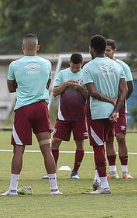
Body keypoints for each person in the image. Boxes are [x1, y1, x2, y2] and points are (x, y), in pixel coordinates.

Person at [4, 33, 61, 196]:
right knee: (46, 149)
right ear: (38, 47)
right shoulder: (47, 63)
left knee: (18, 150)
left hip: (23, 109)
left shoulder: (14, 65)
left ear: (23, 47)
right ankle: (54, 189)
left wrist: (23, 86)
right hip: (41, 108)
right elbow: (47, 85)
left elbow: (10, 88)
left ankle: (12, 189)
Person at [84, 35, 128, 195]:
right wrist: (116, 110)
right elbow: (124, 90)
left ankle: (104, 185)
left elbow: (91, 92)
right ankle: (99, 179)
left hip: (96, 112)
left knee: (98, 147)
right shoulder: (117, 66)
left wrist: (109, 100)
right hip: (112, 113)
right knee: (107, 143)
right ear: (104, 48)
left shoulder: (88, 67)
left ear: (91, 49)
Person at [51, 52, 89, 180]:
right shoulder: (62, 74)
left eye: (77, 68)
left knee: (80, 143)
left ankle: (75, 172)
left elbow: (89, 96)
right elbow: (55, 92)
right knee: (55, 142)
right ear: (69, 63)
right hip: (63, 116)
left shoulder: (86, 74)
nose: (75, 70)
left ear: (81, 64)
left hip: (80, 116)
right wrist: (66, 84)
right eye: (73, 67)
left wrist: (81, 88)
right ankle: (52, 172)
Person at [104, 39, 133, 179]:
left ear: (114, 51)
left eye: (108, 50)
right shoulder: (99, 66)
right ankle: (112, 171)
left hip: (119, 107)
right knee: (108, 138)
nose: (106, 53)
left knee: (120, 137)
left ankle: (125, 172)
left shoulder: (122, 66)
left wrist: (120, 103)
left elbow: (129, 88)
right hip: (104, 107)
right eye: (104, 50)